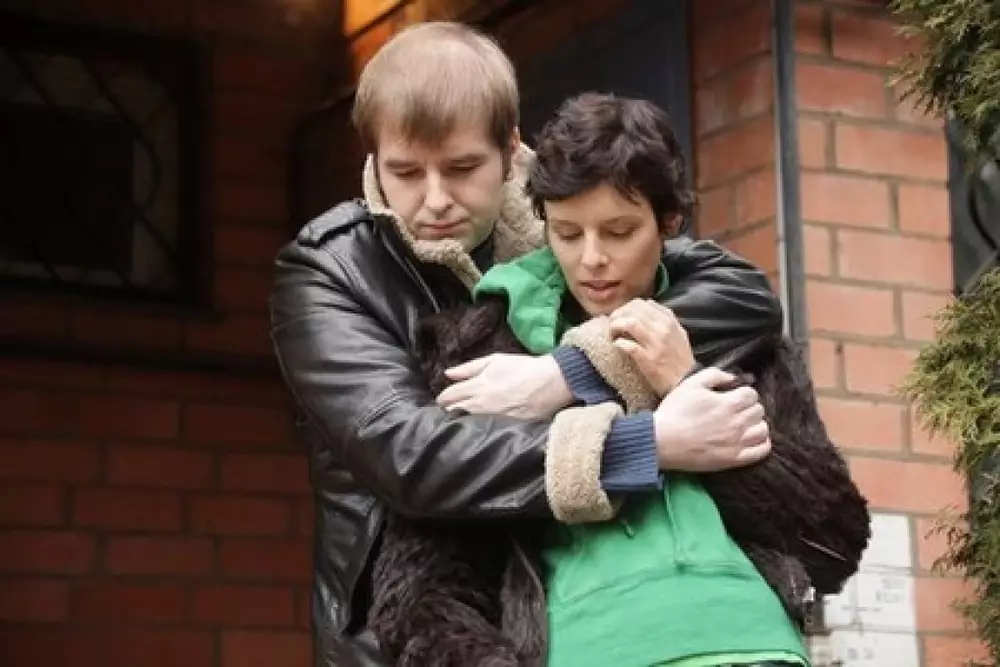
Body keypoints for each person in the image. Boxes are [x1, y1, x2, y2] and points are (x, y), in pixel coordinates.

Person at [269, 21, 786, 667]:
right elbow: (411, 455)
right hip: (408, 639)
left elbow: (740, 294)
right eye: (405, 172)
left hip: (578, 620)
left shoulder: (563, 216)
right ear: (372, 158)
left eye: (462, 168)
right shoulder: (329, 271)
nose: (435, 200)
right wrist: (642, 444)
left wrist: (569, 371)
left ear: (512, 149)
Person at [367, 92, 871, 667]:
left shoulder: (734, 336)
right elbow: (423, 592)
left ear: (669, 223)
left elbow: (834, 541)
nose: (591, 259)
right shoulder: (485, 353)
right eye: (567, 233)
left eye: (619, 231)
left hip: (757, 645)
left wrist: (688, 384)